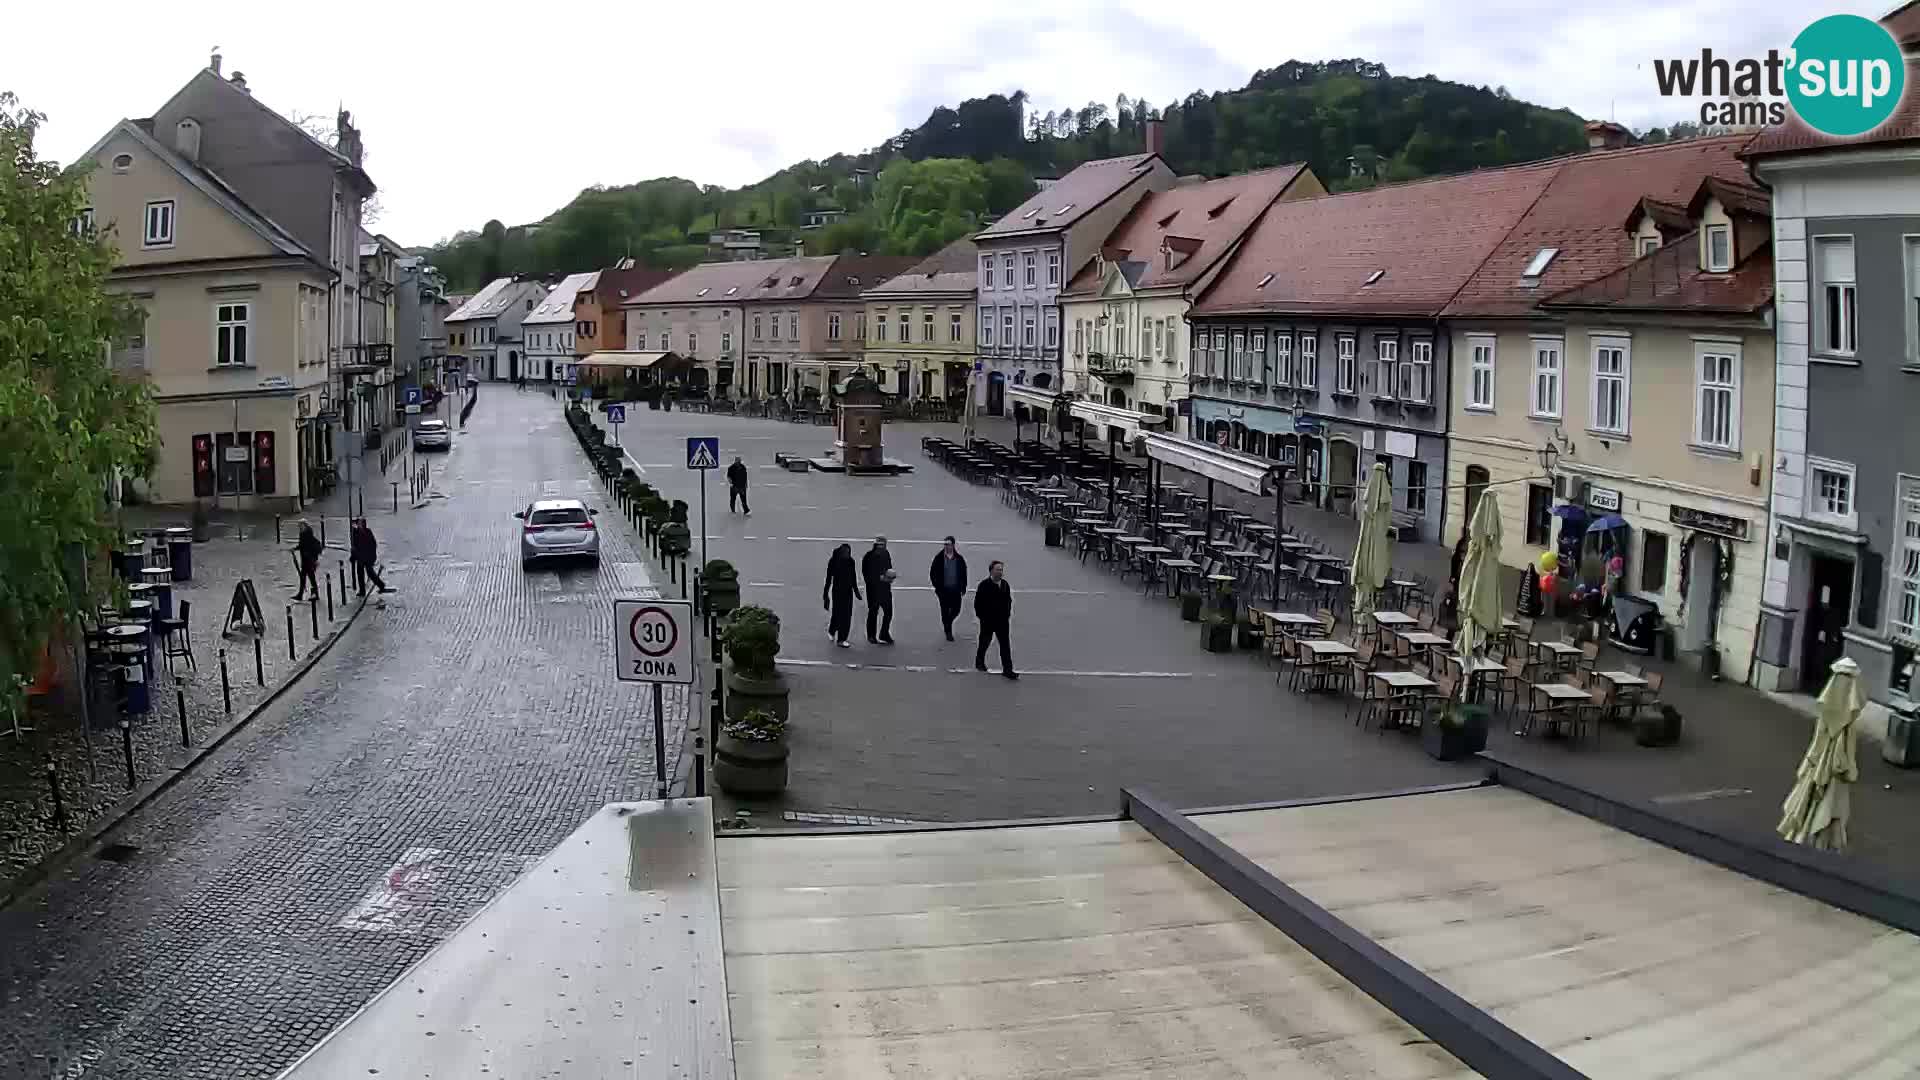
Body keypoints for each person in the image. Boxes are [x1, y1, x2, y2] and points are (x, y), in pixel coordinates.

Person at [973, 560, 1017, 680]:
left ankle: (1008, 670)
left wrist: (1007, 614)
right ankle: (979, 662)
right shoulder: (984, 585)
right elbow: (978, 604)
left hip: (1002, 622)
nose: (1000, 572)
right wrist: (982, 617)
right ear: (991, 570)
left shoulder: (1005, 585)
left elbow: (1008, 601)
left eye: (1001, 570)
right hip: (988, 621)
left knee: (1005, 645)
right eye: (998, 569)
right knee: (984, 642)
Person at [928, 536, 968, 642]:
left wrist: (963, 587)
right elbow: (933, 573)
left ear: (953, 545)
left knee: (956, 609)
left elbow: (964, 573)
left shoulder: (959, 559)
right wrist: (937, 586)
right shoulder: (939, 558)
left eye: (948, 544)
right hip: (943, 590)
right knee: (945, 610)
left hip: (955, 589)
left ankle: (948, 622)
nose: (946, 546)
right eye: (945, 544)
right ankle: (948, 632)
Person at [822, 543, 860, 648]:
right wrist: (825, 595)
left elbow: (853, 576)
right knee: (837, 613)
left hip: (848, 592)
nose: (848, 555)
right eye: (846, 553)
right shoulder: (834, 562)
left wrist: (856, 591)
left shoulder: (851, 562)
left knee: (847, 616)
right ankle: (834, 632)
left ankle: (841, 638)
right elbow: (829, 579)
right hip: (837, 592)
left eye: (849, 553)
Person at [862, 537, 895, 644]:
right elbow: (866, 574)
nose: (881, 547)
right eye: (879, 545)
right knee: (873, 612)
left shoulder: (886, 554)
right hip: (873, 590)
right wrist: (880, 578)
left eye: (883, 545)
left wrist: (890, 577)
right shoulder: (869, 556)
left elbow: (889, 568)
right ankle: (871, 635)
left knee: (888, 612)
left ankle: (884, 633)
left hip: (885, 589)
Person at [349, 518, 395, 596]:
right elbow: (355, 546)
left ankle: (379, 586)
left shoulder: (364, 532)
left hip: (366, 557)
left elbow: (371, 544)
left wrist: (370, 556)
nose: (358, 526)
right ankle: (365, 590)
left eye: (360, 524)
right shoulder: (355, 533)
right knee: (363, 574)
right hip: (362, 557)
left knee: (368, 573)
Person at [292, 520, 322, 601]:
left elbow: (307, 546)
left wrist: (310, 557)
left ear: (304, 525)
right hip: (305, 560)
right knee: (303, 577)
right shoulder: (302, 534)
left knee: (311, 577)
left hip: (309, 560)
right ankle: (301, 594)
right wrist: (295, 548)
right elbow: (302, 545)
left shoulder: (308, 534)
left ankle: (314, 594)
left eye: (300, 525)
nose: (299, 527)